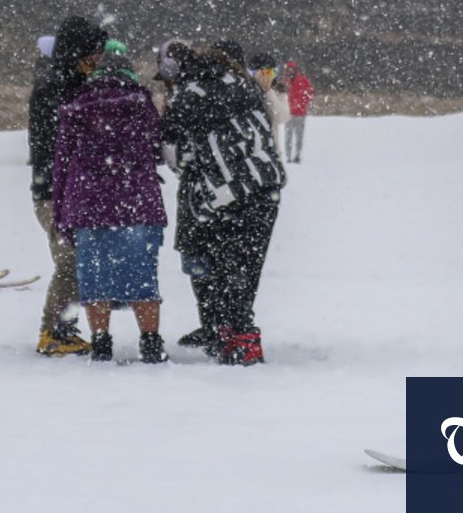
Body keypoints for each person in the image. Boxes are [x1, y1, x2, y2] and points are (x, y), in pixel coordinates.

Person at [161, 43, 287, 365]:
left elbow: (178, 154)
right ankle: (239, 334)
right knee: (247, 266)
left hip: (228, 193)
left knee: (224, 266)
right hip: (268, 185)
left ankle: (233, 336)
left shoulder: (189, 96)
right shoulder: (244, 85)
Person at [52, 48, 169, 363]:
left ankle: (101, 341)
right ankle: (151, 341)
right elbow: (157, 148)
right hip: (137, 203)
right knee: (142, 275)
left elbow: (62, 163)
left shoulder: (77, 106)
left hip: (89, 204)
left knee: (94, 276)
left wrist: (61, 211)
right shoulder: (141, 104)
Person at [29, 16, 107, 356]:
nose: (98, 59)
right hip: (56, 193)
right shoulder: (55, 88)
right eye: (93, 53)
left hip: (74, 190)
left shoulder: (75, 82)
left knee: (80, 259)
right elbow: (56, 145)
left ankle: (65, 327)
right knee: (71, 260)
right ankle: (53, 332)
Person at [248, 52, 289, 148]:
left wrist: (268, 91)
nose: (265, 78)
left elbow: (281, 117)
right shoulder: (247, 91)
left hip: (271, 149)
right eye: (261, 74)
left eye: (269, 73)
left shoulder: (278, 91)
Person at [282, 61, 314, 163]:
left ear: (295, 70)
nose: (290, 71)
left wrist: (302, 103)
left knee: (298, 136)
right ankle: (288, 157)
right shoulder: (285, 81)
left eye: (292, 69)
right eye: (288, 69)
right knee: (288, 137)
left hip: (300, 113)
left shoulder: (302, 80)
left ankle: (297, 155)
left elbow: (310, 93)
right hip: (288, 114)